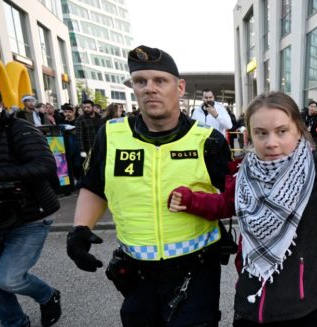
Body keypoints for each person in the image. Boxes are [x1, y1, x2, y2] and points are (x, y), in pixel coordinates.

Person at [167, 91, 317, 326]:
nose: (271, 143)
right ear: (250, 135)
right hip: (250, 300)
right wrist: (191, 201)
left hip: (302, 305)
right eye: (261, 133)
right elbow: (225, 204)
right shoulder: (244, 171)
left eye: (282, 131)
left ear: (298, 129)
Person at [65, 45, 232, 326]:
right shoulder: (111, 134)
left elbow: (235, 198)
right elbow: (94, 187)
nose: (149, 88)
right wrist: (80, 229)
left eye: (159, 81)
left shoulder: (209, 140)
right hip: (137, 272)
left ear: (179, 88)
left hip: (197, 270)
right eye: (140, 81)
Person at [0, 86, 62, 327]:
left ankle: (47, 295)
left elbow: (45, 165)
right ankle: (15, 322)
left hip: (31, 217)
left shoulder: (20, 130)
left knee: (8, 279)